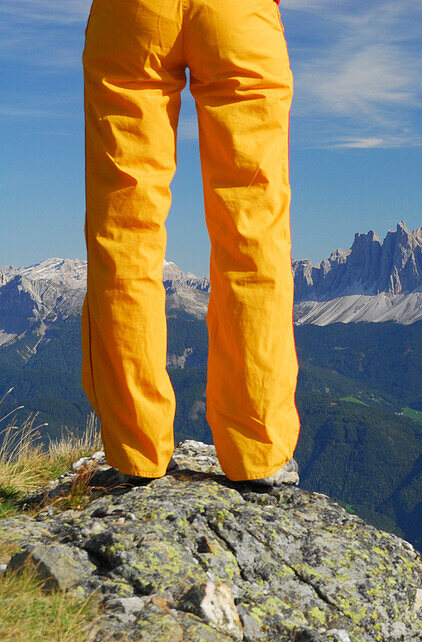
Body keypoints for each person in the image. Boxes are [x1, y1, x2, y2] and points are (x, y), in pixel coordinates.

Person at [82, 0, 299, 486]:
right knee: (253, 234)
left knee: (124, 229)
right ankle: (258, 451)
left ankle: (135, 450)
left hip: (131, 15)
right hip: (240, 19)